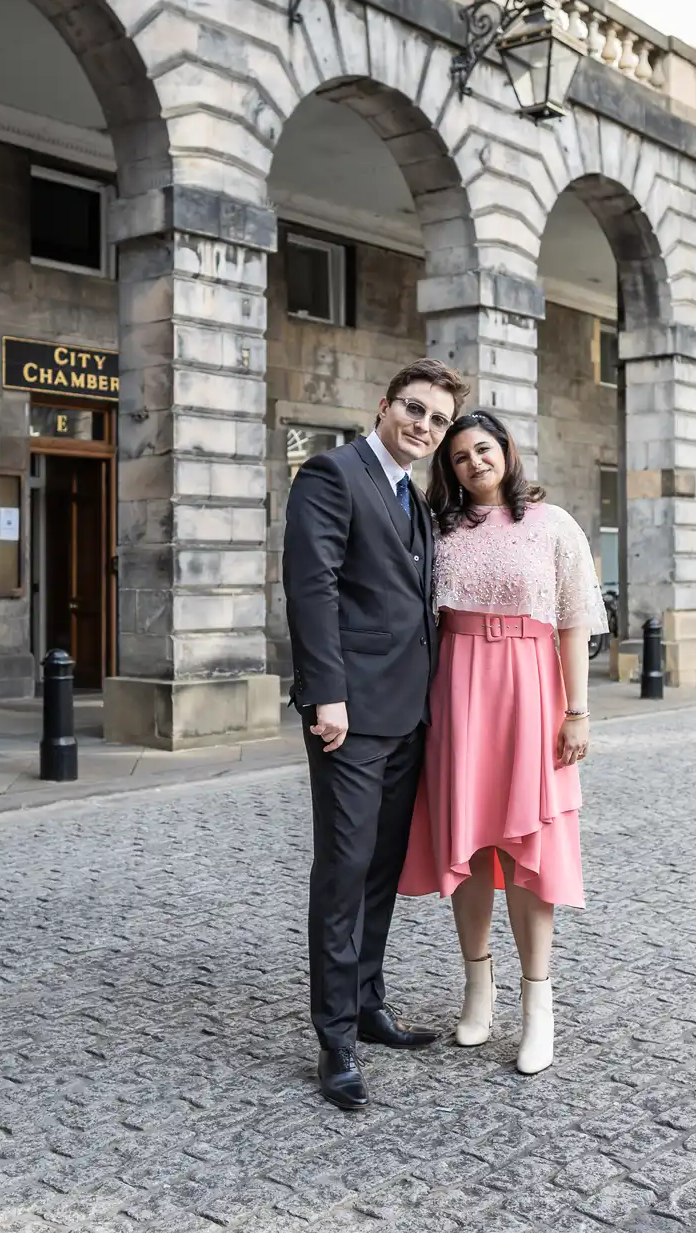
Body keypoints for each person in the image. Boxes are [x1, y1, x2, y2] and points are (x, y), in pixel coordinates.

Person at [283, 357, 470, 1111]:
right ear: (384, 403)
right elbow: (312, 585)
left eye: (438, 419)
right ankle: (334, 1041)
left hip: (409, 715)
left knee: (382, 871)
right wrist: (326, 694)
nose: (424, 426)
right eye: (415, 410)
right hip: (349, 717)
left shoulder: (417, 501)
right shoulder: (332, 475)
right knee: (344, 871)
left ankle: (367, 1002)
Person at [400, 409, 605, 1076]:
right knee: (470, 840)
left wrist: (577, 710)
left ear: (507, 451)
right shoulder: (439, 530)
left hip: (531, 689)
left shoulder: (553, 526)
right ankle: (477, 986)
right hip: (458, 691)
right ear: (449, 469)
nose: (474, 463)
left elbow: (573, 621)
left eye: (483, 449)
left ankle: (537, 1004)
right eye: (460, 457)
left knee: (528, 846)